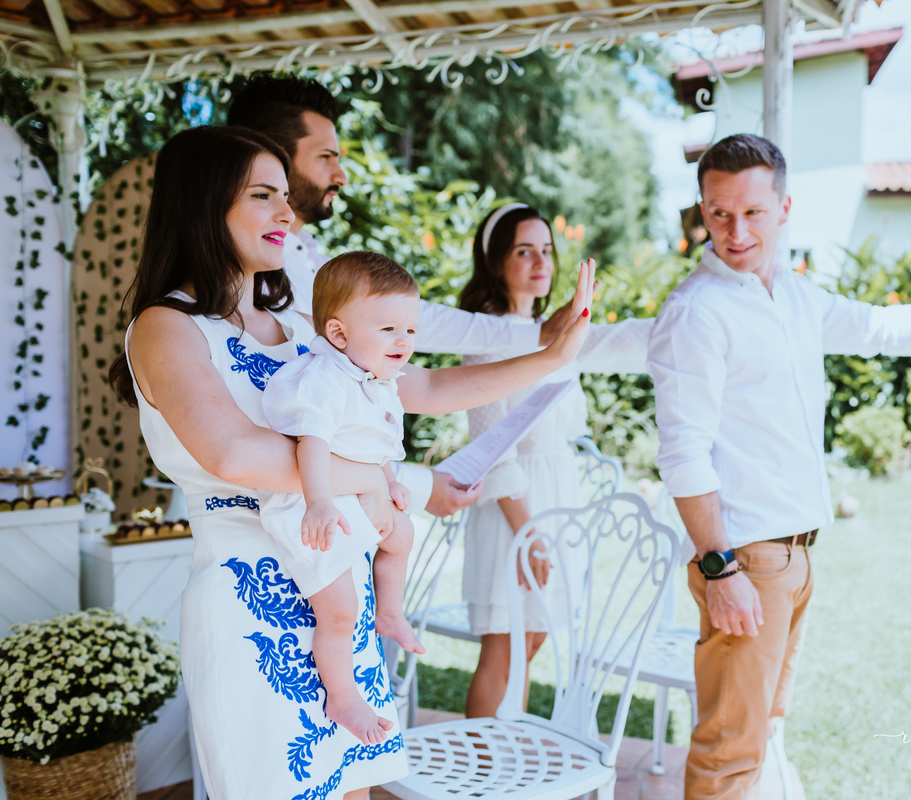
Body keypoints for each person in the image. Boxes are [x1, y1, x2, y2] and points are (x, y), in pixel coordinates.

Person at [108, 125, 594, 800]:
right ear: (202, 204)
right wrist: (379, 479)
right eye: (262, 196)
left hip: (338, 582)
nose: (287, 212)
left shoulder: (301, 323)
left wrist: (546, 359)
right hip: (253, 604)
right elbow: (234, 454)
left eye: (286, 195)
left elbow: (418, 387)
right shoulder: (168, 326)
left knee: (354, 788)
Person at [647, 133, 911, 800]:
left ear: (784, 208)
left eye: (752, 213)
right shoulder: (696, 312)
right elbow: (682, 452)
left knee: (762, 732)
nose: (735, 230)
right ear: (702, 211)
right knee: (727, 753)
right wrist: (720, 568)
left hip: (794, 556)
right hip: (744, 558)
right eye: (718, 213)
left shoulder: (798, 299)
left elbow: (893, 328)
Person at [226, 75, 576, 519]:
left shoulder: (308, 260)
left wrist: (540, 341)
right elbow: (255, 449)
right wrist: (417, 483)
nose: (341, 175)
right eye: (326, 157)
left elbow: (421, 367)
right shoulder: (255, 287)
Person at [457, 203, 653, 717]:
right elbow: (492, 447)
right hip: (513, 508)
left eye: (546, 250)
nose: (541, 261)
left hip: (555, 494)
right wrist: (531, 536)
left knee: (532, 639)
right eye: (525, 251)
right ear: (496, 261)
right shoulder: (487, 337)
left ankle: (502, 751)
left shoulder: (552, 330)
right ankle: (480, 774)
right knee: (505, 645)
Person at [260, 252, 429, 745]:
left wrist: (389, 480)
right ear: (338, 334)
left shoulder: (379, 382)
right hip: (313, 501)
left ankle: (391, 610)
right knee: (339, 608)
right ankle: (342, 695)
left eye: (411, 331)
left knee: (403, 534)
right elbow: (311, 444)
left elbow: (375, 446)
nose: (404, 341)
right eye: (389, 329)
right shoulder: (324, 378)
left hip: (353, 492)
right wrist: (318, 503)